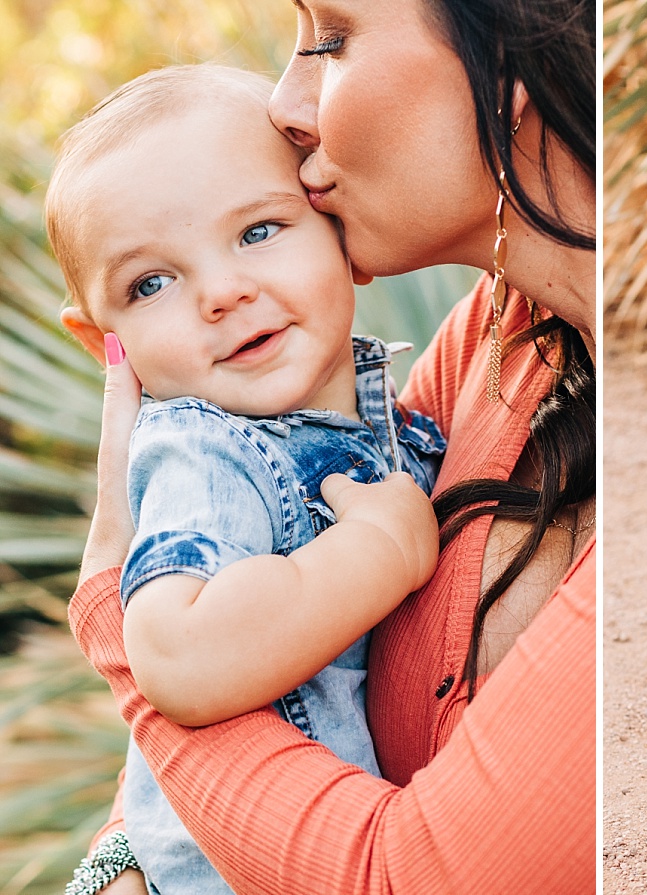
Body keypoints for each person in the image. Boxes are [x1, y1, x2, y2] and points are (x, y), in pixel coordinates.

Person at [63, 0, 597, 892]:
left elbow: (403, 876)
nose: (286, 100)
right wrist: (120, 865)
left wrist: (107, 613)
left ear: (503, 70)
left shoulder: (380, 398)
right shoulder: (501, 338)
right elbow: (196, 670)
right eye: (153, 281)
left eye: (334, 40)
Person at [50, 64, 446, 895]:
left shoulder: (390, 425)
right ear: (106, 343)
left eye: (259, 231)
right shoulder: (205, 451)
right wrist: (377, 547)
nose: (223, 293)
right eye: (150, 283)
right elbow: (178, 654)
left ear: (339, 226)